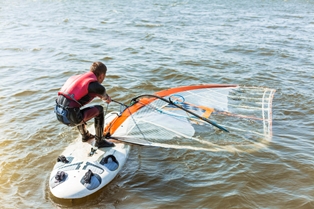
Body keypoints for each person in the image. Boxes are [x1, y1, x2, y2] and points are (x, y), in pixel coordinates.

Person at [54, 61, 114, 148]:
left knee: (77, 108)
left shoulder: (77, 78)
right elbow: (104, 96)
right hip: (71, 116)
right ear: (101, 75)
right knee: (99, 110)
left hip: (59, 113)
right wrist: (106, 98)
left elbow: (76, 95)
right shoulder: (97, 87)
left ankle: (85, 136)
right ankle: (99, 141)